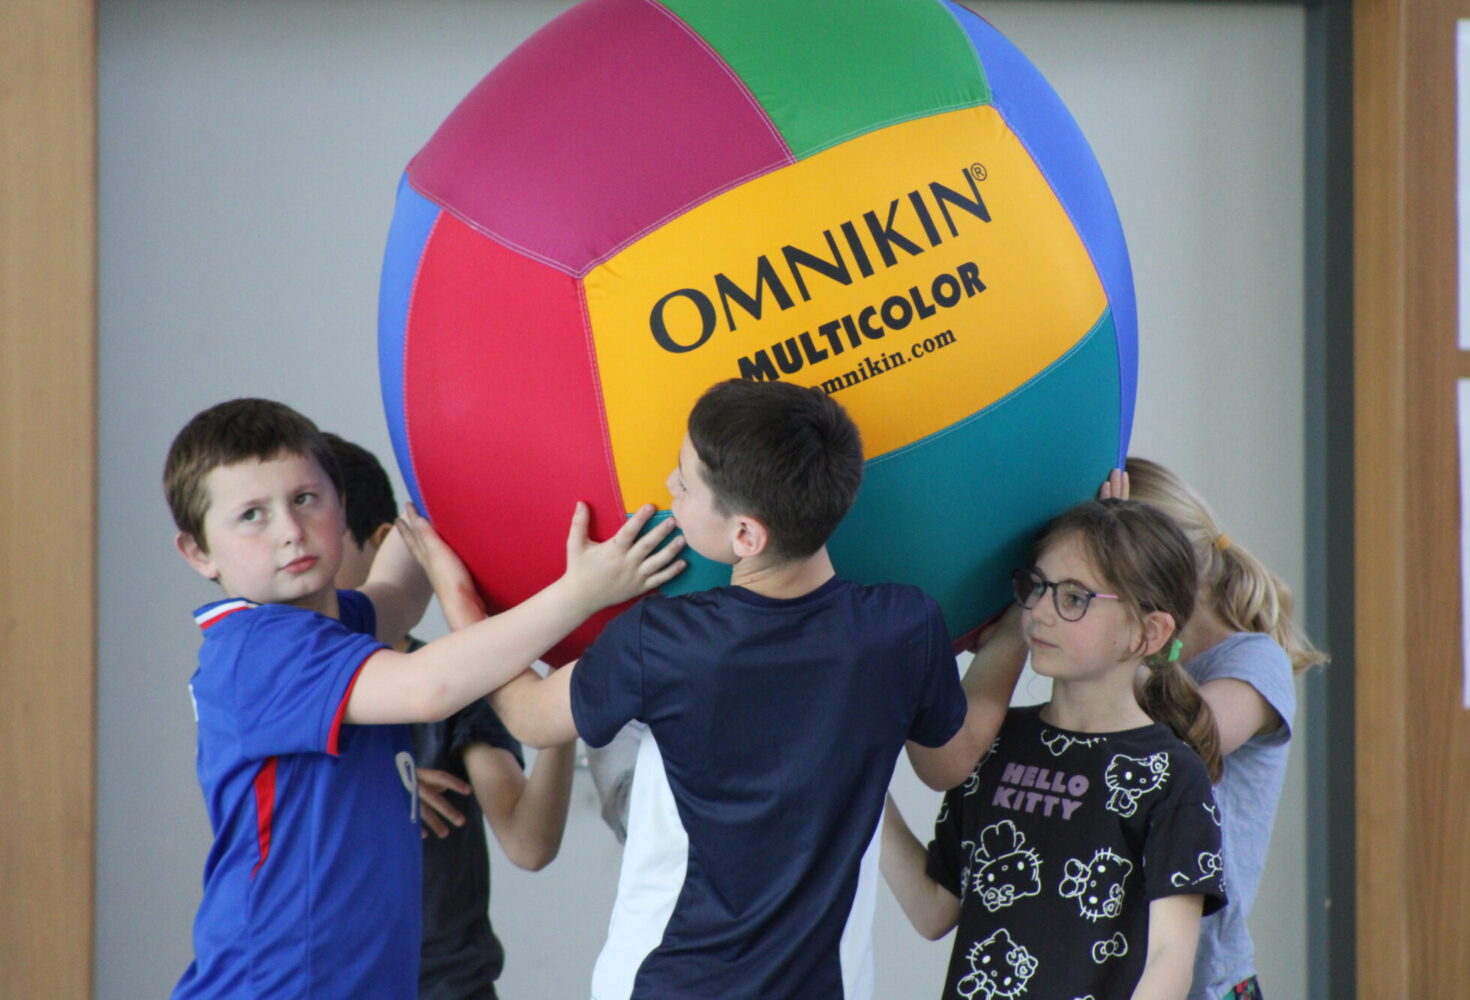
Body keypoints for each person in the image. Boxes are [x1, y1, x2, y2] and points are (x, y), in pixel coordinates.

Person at [407, 378, 1018, 1000]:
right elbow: (947, 764)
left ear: (746, 536)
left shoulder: (663, 639)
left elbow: (528, 716)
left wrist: (460, 590)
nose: (668, 486)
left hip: (665, 984)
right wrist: (1014, 635)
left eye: (684, 484)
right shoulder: (903, 627)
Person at [163, 398, 683, 1000]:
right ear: (198, 552)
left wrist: (459, 453)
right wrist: (582, 592)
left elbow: (400, 596)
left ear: (341, 503)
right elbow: (430, 687)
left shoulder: (333, 626)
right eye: (252, 515)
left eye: (305, 499)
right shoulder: (256, 649)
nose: (290, 530)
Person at [881, 498, 1228, 1000]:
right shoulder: (994, 744)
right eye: (1037, 587)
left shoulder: (1172, 775)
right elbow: (934, 909)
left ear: (1148, 632)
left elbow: (1170, 959)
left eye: (1074, 598)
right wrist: (861, 780)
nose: (1040, 612)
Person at [324, 432, 577, 1000]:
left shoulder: (456, 680)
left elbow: (529, 843)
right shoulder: (287, 682)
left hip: (448, 985)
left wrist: (560, 706)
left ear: (384, 543)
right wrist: (380, 788)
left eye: (326, 534)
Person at [1102, 458, 1328, 1000]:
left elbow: (1188, 744)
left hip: (1207, 978)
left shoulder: (1254, 661)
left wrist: (1127, 648)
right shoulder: (1138, 662)